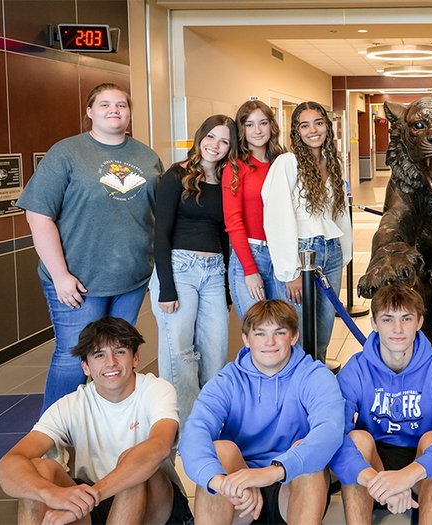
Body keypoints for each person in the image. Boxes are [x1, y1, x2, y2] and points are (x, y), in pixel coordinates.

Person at [16, 83, 164, 412]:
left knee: (117, 357)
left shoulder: (146, 156)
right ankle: (53, 437)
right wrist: (60, 276)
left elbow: (160, 214)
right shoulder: (67, 153)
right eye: (105, 105)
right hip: (78, 281)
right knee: (74, 358)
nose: (114, 110)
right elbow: (38, 216)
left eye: (122, 105)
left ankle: (109, 426)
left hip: (131, 278)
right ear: (90, 112)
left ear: (129, 112)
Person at [0, 317, 189, 525]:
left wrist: (91, 497)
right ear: (85, 367)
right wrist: (48, 493)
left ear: (135, 358)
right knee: (40, 470)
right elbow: (5, 466)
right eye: (99, 355)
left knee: (135, 465)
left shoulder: (156, 389)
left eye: (120, 352)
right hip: (94, 503)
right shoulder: (70, 405)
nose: (111, 362)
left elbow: (159, 447)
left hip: (158, 503)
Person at [179, 299, 345, 524]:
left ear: (294, 337)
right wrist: (222, 482)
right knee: (221, 451)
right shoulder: (227, 380)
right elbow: (194, 433)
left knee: (307, 453)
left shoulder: (314, 375)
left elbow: (330, 431)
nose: (270, 342)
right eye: (260, 334)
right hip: (242, 495)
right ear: (246, 339)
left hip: (292, 486)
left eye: (279, 332)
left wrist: (271, 473)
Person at [330, 284, 432, 525]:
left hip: (421, 467)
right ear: (374, 323)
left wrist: (408, 476)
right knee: (357, 440)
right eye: (388, 319)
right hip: (373, 465)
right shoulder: (356, 369)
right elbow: (332, 436)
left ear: (419, 322)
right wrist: (373, 478)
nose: (397, 328)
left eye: (406, 318)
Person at [149, 114, 236, 429]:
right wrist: (166, 288)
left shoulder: (228, 181)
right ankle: (186, 432)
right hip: (178, 268)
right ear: (200, 137)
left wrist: (226, 287)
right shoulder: (176, 175)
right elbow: (161, 233)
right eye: (211, 137)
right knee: (181, 355)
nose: (216, 145)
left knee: (215, 354)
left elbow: (225, 236)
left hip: (214, 273)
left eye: (224, 141)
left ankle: (211, 426)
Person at [263, 101, 352, 362]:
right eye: (305, 125)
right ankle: (296, 394)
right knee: (297, 334)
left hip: (331, 252)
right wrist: (290, 272)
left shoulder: (331, 162)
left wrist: (344, 252)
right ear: (297, 131)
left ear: (327, 127)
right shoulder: (287, 163)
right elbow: (277, 217)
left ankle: (318, 391)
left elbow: (338, 212)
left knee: (323, 333)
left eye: (319, 123)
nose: (313, 130)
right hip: (302, 254)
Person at [223, 100, 286, 319]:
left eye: (263, 123)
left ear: (272, 126)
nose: (257, 131)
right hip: (250, 255)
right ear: (241, 130)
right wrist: (250, 270)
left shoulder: (283, 163)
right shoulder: (235, 167)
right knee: (258, 331)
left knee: (286, 329)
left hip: (282, 254)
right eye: (249, 125)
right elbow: (234, 223)